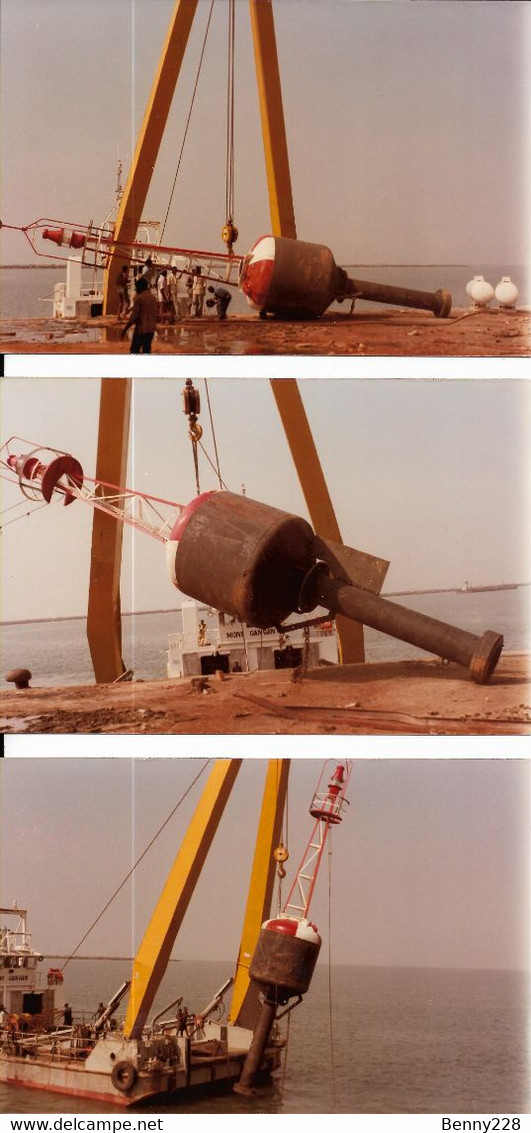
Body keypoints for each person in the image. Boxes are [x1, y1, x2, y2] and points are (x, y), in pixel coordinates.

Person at [120, 277, 158, 354]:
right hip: (151, 330)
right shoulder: (153, 298)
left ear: (141, 287)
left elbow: (134, 318)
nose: (136, 289)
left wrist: (125, 330)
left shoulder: (139, 298)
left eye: (137, 287)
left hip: (141, 330)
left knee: (134, 351)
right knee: (146, 351)